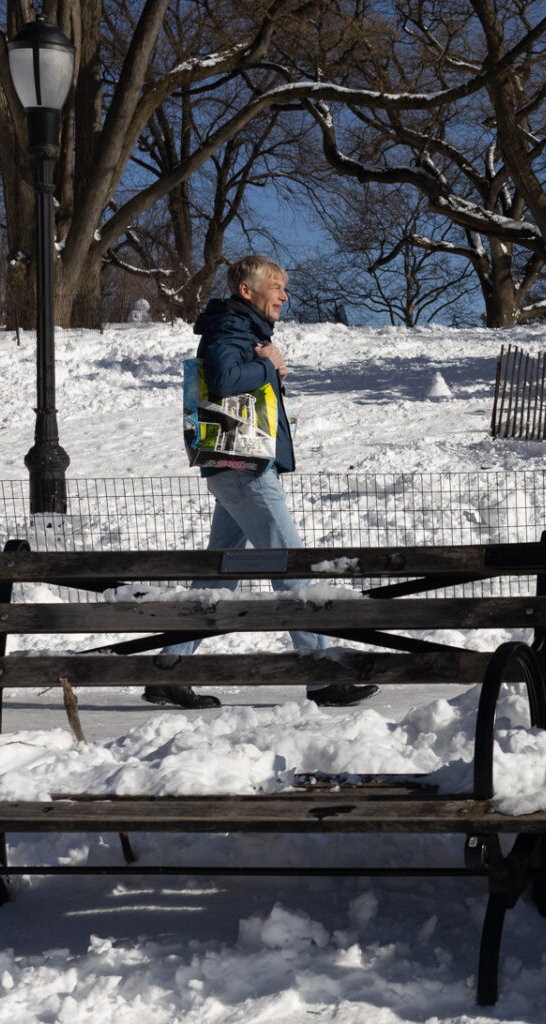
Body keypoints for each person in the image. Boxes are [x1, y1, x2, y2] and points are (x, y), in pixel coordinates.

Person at [144, 255, 378, 710]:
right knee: (290, 568)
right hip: (245, 467)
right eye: (276, 286)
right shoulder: (230, 327)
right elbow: (224, 377)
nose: (284, 295)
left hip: (235, 465)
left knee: (218, 578)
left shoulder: (240, 328)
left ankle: (168, 670)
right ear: (247, 290)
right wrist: (270, 367)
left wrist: (269, 365)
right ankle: (321, 673)